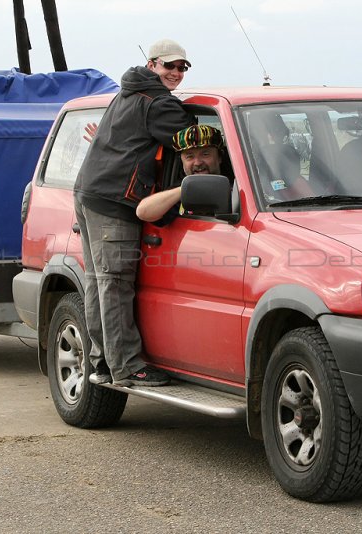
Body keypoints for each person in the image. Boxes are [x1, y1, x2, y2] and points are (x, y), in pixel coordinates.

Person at [73, 39, 194, 387]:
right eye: (169, 66)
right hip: (115, 201)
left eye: (182, 68)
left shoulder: (127, 91)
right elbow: (199, 142)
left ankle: (102, 362)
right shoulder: (159, 104)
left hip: (90, 193)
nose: (175, 73)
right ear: (152, 64)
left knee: (99, 283)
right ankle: (126, 366)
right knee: (115, 286)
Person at [135, 124, 226, 223]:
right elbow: (142, 212)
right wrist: (186, 189)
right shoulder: (180, 188)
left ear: (219, 157)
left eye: (205, 154)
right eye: (189, 156)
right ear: (182, 162)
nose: (198, 162)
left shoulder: (239, 182)